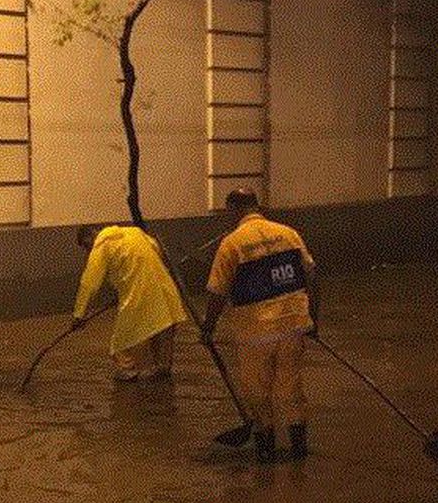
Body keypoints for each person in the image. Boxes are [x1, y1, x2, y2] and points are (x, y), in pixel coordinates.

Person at [201, 188, 318, 463]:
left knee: (257, 391)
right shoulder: (289, 233)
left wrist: (208, 328)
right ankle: (299, 452)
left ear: (233, 210)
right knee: (291, 388)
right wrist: (313, 319)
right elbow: (312, 276)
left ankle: (266, 452)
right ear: (256, 205)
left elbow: (217, 292)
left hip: (256, 332)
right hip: (293, 325)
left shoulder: (232, 244)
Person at [73, 223, 190, 381]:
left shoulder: (102, 245)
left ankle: (128, 370)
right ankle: (162, 367)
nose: (88, 252)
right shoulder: (134, 233)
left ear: (89, 239)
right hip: (164, 288)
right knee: (162, 329)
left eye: (87, 247)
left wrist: (79, 314)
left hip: (139, 295)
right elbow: (155, 248)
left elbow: (89, 283)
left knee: (121, 342)